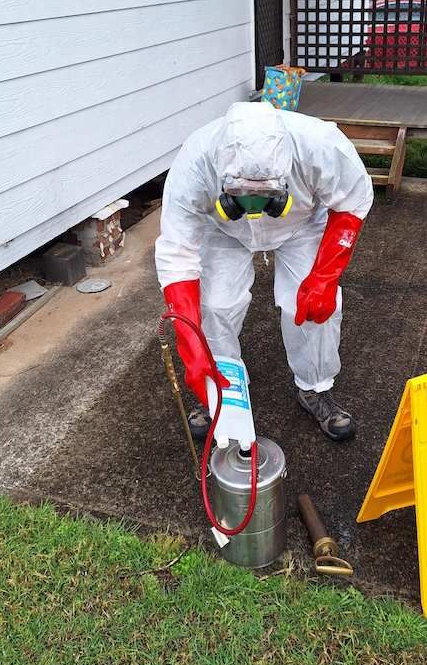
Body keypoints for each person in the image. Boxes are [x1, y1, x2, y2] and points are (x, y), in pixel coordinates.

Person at [155, 99, 373, 441]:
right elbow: (177, 251)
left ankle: (314, 387)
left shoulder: (320, 144)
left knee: (312, 308)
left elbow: (353, 200)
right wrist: (190, 344)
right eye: (241, 193)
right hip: (223, 228)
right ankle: (219, 386)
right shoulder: (196, 160)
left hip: (302, 222)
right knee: (215, 306)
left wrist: (325, 277)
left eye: (266, 194)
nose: (255, 207)